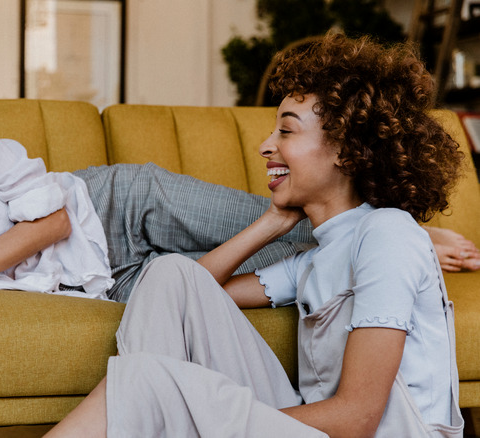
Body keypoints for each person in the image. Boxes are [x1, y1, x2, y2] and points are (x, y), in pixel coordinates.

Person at [0, 46, 478, 312]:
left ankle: (400, 235)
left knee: (315, 231)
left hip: (117, 206)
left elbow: (49, 223)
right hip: (101, 285)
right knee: (297, 268)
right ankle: (396, 243)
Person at [45, 34, 465, 437]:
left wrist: (205, 418)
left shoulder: (388, 234)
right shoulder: (315, 257)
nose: (265, 146)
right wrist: (271, 223)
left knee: (143, 383)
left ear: (345, 147)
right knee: (167, 272)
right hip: (315, 426)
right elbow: (188, 290)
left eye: (286, 130)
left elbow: (357, 419)